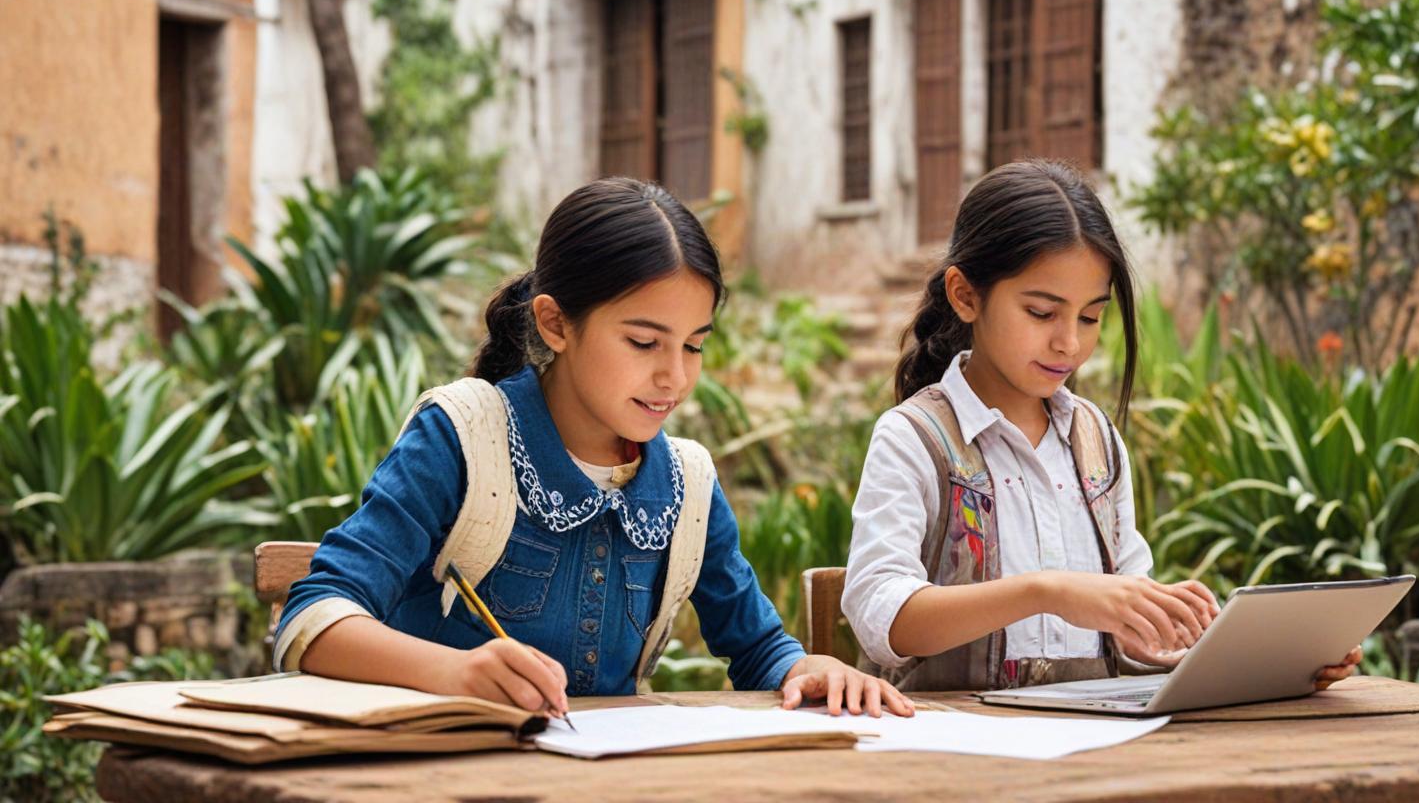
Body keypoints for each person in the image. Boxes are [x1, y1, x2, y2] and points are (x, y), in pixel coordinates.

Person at [276, 177, 912, 718]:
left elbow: (757, 648)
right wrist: (457, 674)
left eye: (694, 344)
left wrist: (809, 667)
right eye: (643, 342)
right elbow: (315, 614)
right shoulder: (463, 437)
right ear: (555, 323)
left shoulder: (687, 483)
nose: (676, 376)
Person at [842, 159, 1361, 691]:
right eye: (1042, 313)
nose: (1070, 342)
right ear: (966, 295)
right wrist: (1047, 591)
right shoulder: (915, 439)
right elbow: (882, 616)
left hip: (1094, 747)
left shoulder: (1095, 439)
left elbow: (1131, 637)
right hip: (954, 746)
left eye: (1091, 317)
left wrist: (1264, 656)